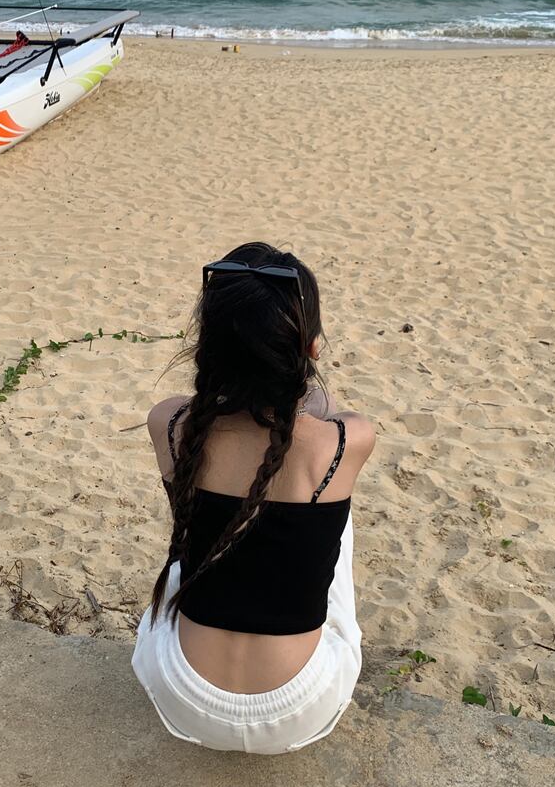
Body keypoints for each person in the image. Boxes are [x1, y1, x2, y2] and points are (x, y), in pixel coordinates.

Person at [132, 242, 376, 753]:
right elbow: (318, 406)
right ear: (310, 348)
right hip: (299, 704)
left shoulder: (170, 423)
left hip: (183, 691)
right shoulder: (345, 439)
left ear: (206, 344)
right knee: (334, 513)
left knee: (187, 552)